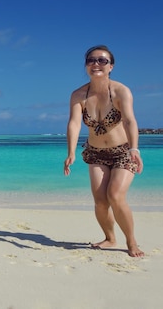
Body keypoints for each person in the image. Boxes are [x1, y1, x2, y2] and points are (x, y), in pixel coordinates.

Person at [63, 45, 144, 257]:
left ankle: (131, 242)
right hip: (95, 152)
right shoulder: (78, 95)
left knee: (115, 195)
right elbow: (74, 124)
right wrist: (71, 152)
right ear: (86, 65)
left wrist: (135, 149)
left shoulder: (120, 91)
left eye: (102, 60)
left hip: (123, 152)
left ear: (111, 66)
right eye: (91, 60)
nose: (96, 64)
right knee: (100, 201)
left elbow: (129, 120)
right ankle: (109, 238)